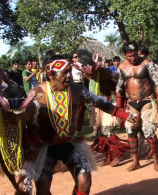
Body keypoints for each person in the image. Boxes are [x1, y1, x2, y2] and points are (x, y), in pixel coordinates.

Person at [25, 58, 134, 195]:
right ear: (51, 75)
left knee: (84, 181)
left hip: (71, 142)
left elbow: (100, 102)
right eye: (64, 73)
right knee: (42, 187)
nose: (69, 75)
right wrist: (29, 144)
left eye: (69, 72)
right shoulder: (36, 94)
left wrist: (125, 115)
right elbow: (24, 123)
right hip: (45, 146)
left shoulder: (76, 90)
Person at [116, 41, 158, 171]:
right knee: (131, 130)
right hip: (132, 102)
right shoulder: (121, 67)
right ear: (125, 55)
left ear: (138, 51)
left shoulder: (148, 63)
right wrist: (119, 108)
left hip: (147, 100)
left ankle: (156, 159)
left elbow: (157, 83)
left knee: (148, 130)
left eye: (135, 54)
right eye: (129, 56)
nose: (133, 58)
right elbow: (119, 87)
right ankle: (135, 161)